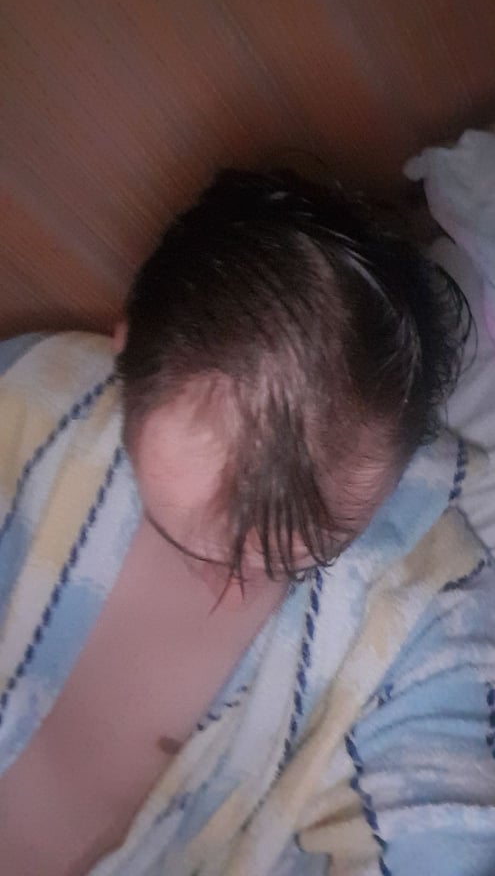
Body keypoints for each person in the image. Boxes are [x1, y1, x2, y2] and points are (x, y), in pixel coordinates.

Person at [0, 169, 494, 876]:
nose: (227, 585)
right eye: (182, 534)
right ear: (127, 353)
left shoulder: (427, 603)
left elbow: (441, 819)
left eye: (301, 557)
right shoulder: (27, 402)